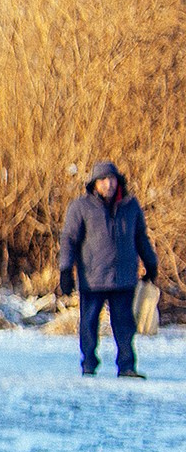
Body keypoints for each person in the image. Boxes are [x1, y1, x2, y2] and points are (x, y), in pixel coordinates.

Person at [59, 160, 159, 378]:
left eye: (111, 179)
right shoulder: (81, 207)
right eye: (103, 180)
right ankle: (89, 364)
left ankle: (127, 366)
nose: (108, 184)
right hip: (92, 277)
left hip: (123, 277)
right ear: (94, 183)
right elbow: (69, 239)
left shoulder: (130, 206)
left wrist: (150, 263)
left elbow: (141, 237)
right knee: (89, 324)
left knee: (124, 326)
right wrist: (65, 269)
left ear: (118, 181)